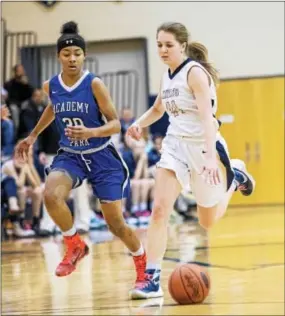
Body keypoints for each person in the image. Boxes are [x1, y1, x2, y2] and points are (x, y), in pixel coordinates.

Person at [127, 22, 255, 299]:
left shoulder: (195, 73)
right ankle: (151, 278)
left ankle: (237, 177)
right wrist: (138, 123)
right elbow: (158, 108)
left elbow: (208, 120)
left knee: (207, 221)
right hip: (175, 148)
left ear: (182, 46)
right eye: (159, 44)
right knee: (160, 210)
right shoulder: (166, 76)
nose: (162, 49)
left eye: (168, 45)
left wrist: (210, 157)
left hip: (203, 148)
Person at [15, 21, 146, 284]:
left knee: (116, 225)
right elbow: (53, 108)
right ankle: (74, 244)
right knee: (50, 193)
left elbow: (115, 124)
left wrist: (91, 132)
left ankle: (143, 263)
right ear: (58, 57)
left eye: (77, 54)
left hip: (101, 155)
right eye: (67, 54)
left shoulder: (94, 84)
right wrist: (33, 135)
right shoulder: (50, 85)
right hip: (71, 154)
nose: (72, 58)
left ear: (84, 56)